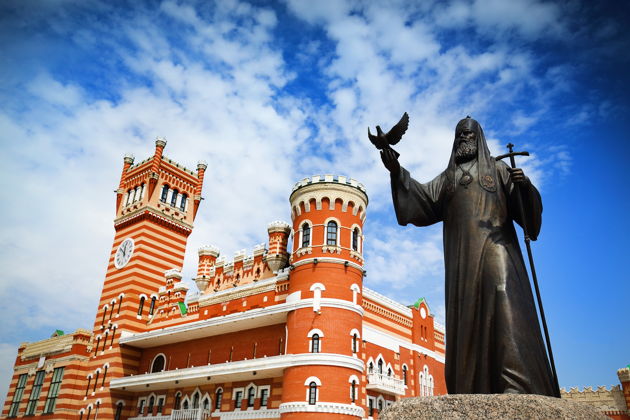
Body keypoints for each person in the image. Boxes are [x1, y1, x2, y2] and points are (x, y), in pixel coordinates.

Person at [378, 116, 555, 395]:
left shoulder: (498, 169)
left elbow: (527, 216)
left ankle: (517, 383)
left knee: (505, 299)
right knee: (469, 318)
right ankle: (474, 387)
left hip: (498, 248)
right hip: (462, 262)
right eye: (459, 134)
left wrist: (524, 187)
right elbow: (420, 199)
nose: (463, 138)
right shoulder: (448, 179)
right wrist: (397, 170)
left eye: (469, 134)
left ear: (479, 138)